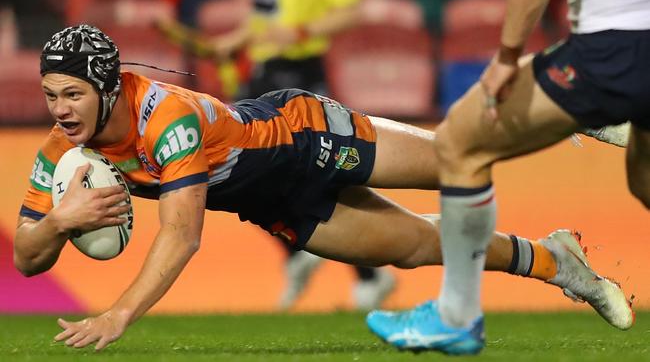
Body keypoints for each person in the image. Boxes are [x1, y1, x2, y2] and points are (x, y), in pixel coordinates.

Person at [14, 24, 632, 352]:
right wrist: (61, 222)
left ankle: (571, 101)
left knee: (453, 158)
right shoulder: (59, 149)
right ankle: (561, 264)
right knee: (417, 248)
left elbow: (182, 234)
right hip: (273, 202)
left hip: (303, 134)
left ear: (112, 88)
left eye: (74, 94)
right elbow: (26, 257)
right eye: (51, 95)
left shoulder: (164, 118)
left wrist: (119, 314)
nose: (62, 110)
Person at [366, 0, 650, 355]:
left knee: (459, 142)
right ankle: (600, 112)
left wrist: (506, 57)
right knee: (645, 184)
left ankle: (456, 318)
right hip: (626, 49)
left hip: (616, 47)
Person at [158, 0, 399, 310]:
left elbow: (351, 13)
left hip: (301, 73)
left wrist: (300, 32)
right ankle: (299, 253)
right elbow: (261, 22)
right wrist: (230, 42)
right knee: (237, 171)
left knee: (325, 174)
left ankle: (367, 274)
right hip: (263, 74)